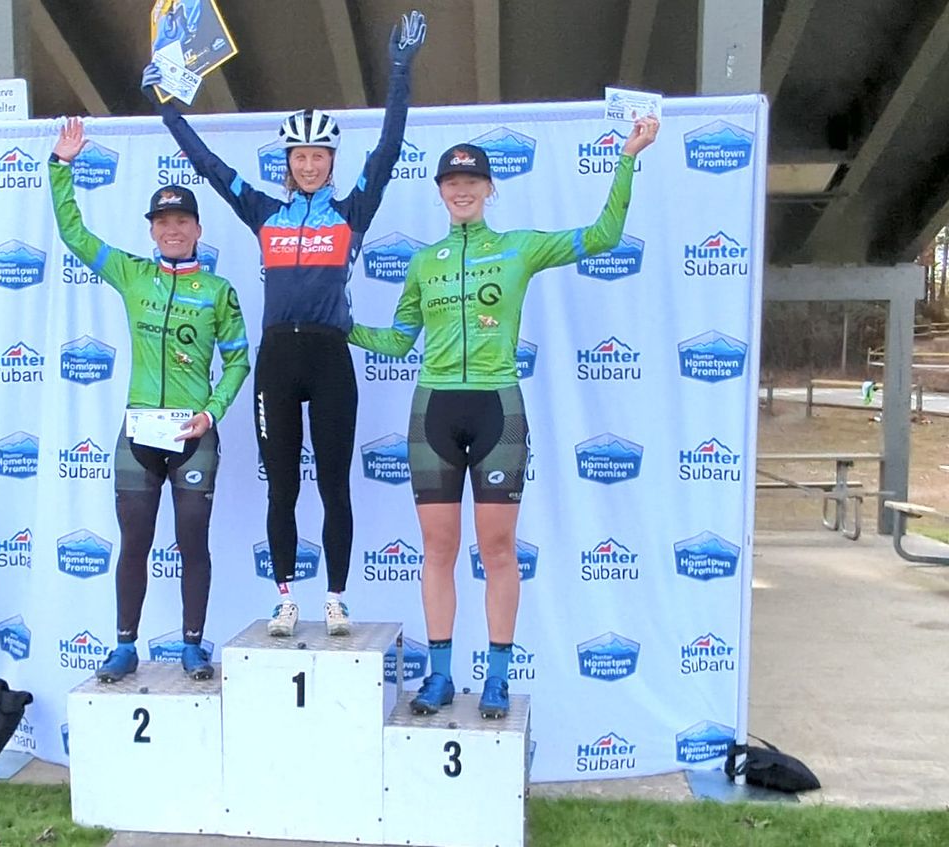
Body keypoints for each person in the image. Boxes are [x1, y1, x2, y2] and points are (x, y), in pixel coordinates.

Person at [349, 118, 660, 717]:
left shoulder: (519, 246)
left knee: (498, 548)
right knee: (437, 549)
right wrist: (342, 329)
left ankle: (495, 677)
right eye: (451, 181)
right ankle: (439, 678)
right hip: (434, 408)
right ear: (439, 191)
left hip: (497, 409)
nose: (461, 190)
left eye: (472, 181)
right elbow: (397, 342)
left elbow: (602, 235)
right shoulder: (424, 262)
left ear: (490, 189)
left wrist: (627, 158)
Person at [140, 10, 427, 637]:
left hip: (329, 360)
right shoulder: (265, 213)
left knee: (334, 483)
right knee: (282, 491)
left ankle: (337, 597)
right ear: (288, 161)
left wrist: (400, 72)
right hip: (276, 359)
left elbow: (390, 149)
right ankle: (286, 597)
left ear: (330, 159)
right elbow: (211, 168)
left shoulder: (352, 212)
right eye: (300, 156)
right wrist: (167, 107)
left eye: (320, 155)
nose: (310, 165)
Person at [48, 116, 251, 682]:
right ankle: (124, 644)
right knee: (134, 540)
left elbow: (238, 360)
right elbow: (75, 235)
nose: (173, 230)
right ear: (153, 230)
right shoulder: (132, 274)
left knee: (192, 542)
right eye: (163, 222)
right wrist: (61, 167)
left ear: (196, 227)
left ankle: (192, 644)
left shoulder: (218, 290)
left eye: (182, 220)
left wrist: (211, 411)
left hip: (193, 434)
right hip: (138, 433)